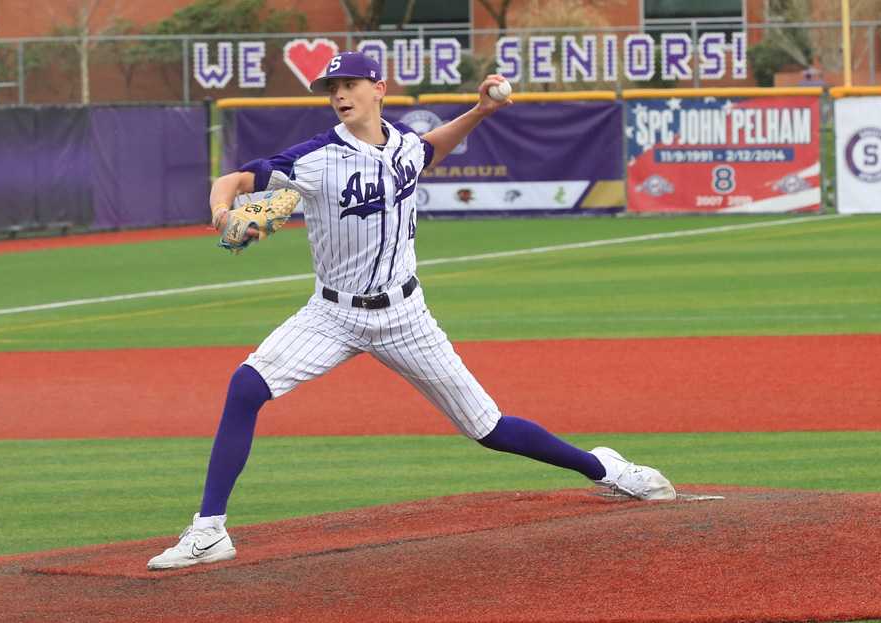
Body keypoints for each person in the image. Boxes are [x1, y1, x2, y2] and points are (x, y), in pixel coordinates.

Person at [147, 52, 675, 571]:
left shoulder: (402, 146)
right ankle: (209, 530)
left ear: (378, 88)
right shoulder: (312, 159)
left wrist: (480, 113)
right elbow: (235, 181)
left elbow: (429, 150)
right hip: (331, 315)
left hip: (406, 317)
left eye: (350, 83)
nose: (339, 95)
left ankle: (605, 468)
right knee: (245, 386)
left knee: (488, 428)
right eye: (332, 88)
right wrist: (222, 212)